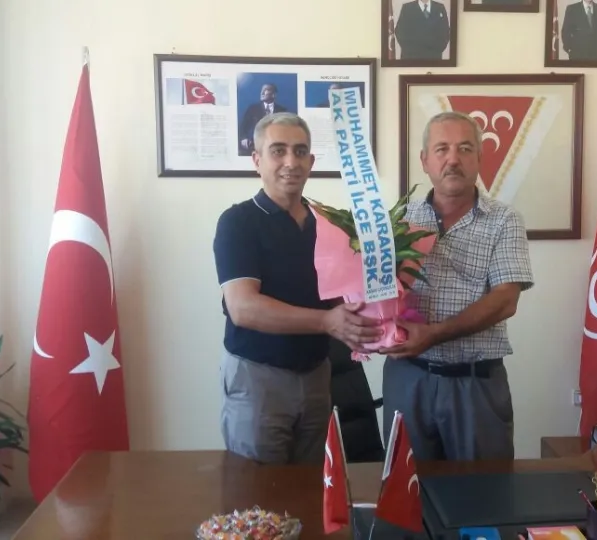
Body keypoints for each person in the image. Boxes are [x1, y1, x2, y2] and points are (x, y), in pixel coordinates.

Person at [214, 112, 382, 464]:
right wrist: (328, 322)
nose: (291, 162)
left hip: (318, 376)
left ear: (311, 161)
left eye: (300, 151)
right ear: (257, 160)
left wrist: (372, 320)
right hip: (259, 379)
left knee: (314, 487)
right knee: (258, 490)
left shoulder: (329, 223)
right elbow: (243, 308)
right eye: (278, 151)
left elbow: (339, 295)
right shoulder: (238, 222)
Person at [379, 111, 533, 461]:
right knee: (406, 488)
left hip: (474, 385)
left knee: (483, 489)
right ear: (424, 160)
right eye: (442, 149)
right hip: (408, 378)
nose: (453, 159)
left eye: (464, 149)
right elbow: (378, 292)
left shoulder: (505, 220)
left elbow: (505, 300)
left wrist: (434, 334)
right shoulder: (398, 220)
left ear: (479, 158)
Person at [238, 83, 288, 156]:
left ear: (274, 94)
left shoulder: (282, 111)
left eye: (266, 90)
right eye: (262, 90)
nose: (262, 93)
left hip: (276, 147)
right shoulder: (252, 109)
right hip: (255, 146)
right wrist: (244, 138)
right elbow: (243, 127)